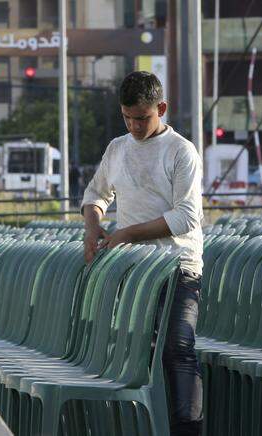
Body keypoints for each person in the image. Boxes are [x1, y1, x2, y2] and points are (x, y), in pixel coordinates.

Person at [81, 71, 203, 436]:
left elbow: (186, 216)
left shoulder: (181, 151)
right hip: (134, 268)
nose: (134, 125)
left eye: (142, 118)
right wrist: (92, 226)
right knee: (136, 351)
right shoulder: (117, 148)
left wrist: (127, 233)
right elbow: (96, 194)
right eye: (127, 117)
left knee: (178, 348)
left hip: (178, 267)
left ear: (161, 109)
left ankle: (187, 430)